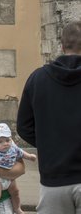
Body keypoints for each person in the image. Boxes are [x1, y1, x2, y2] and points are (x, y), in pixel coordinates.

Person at [17, 20, 81, 213]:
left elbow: (23, 127)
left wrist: (49, 142)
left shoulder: (38, 79)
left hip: (53, 179)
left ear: (61, 45)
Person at [0, 123, 37, 214]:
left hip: (9, 177)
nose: (5, 144)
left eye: (7, 140)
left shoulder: (13, 149)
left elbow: (21, 153)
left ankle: (17, 208)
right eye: (0, 141)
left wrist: (30, 156)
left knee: (15, 192)